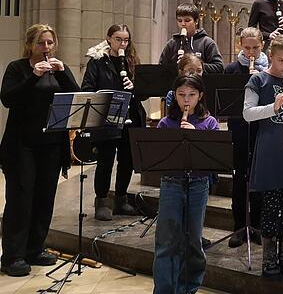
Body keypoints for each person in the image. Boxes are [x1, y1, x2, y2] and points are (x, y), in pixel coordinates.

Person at [0, 24, 80, 277]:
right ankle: (13, 256)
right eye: (40, 44)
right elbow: (8, 98)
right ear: (30, 45)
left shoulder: (60, 69)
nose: (46, 48)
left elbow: (76, 97)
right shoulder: (17, 68)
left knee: (45, 197)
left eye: (49, 43)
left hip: (52, 144)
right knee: (20, 199)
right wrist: (33, 76)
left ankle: (35, 248)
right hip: (22, 144)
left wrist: (64, 72)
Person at [243, 34, 283, 280]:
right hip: (270, 150)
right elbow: (248, 113)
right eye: (282, 61)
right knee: (270, 209)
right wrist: (274, 106)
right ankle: (269, 259)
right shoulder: (258, 80)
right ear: (270, 56)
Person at [154, 74, 219, 293]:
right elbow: (157, 157)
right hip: (171, 182)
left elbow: (214, 158)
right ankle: (164, 289)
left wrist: (196, 136)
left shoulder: (209, 122)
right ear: (175, 97)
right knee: (167, 241)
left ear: (200, 96)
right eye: (181, 95)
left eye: (192, 95)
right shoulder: (166, 122)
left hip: (198, 183)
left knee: (193, 241)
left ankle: (189, 288)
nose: (186, 100)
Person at [81, 24, 145, 221]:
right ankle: (101, 201)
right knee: (106, 161)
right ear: (109, 38)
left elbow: (143, 91)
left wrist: (134, 86)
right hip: (107, 117)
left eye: (126, 40)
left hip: (130, 116)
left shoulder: (131, 60)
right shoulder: (98, 61)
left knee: (127, 160)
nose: (123, 43)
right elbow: (88, 87)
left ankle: (121, 199)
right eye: (118, 39)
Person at [223, 27, 266, 248]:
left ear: (263, 46)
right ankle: (239, 226)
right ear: (239, 45)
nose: (251, 53)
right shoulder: (231, 69)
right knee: (240, 178)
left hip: (262, 130)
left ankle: (256, 225)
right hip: (239, 129)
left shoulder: (269, 70)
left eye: (255, 48)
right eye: (247, 48)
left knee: (258, 179)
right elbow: (224, 103)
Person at [159, 2, 224, 73]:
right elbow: (161, 68)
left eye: (187, 20)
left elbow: (219, 68)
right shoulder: (172, 44)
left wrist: (195, 65)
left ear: (196, 21)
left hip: (200, 83)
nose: (183, 24)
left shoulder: (207, 42)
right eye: (179, 21)